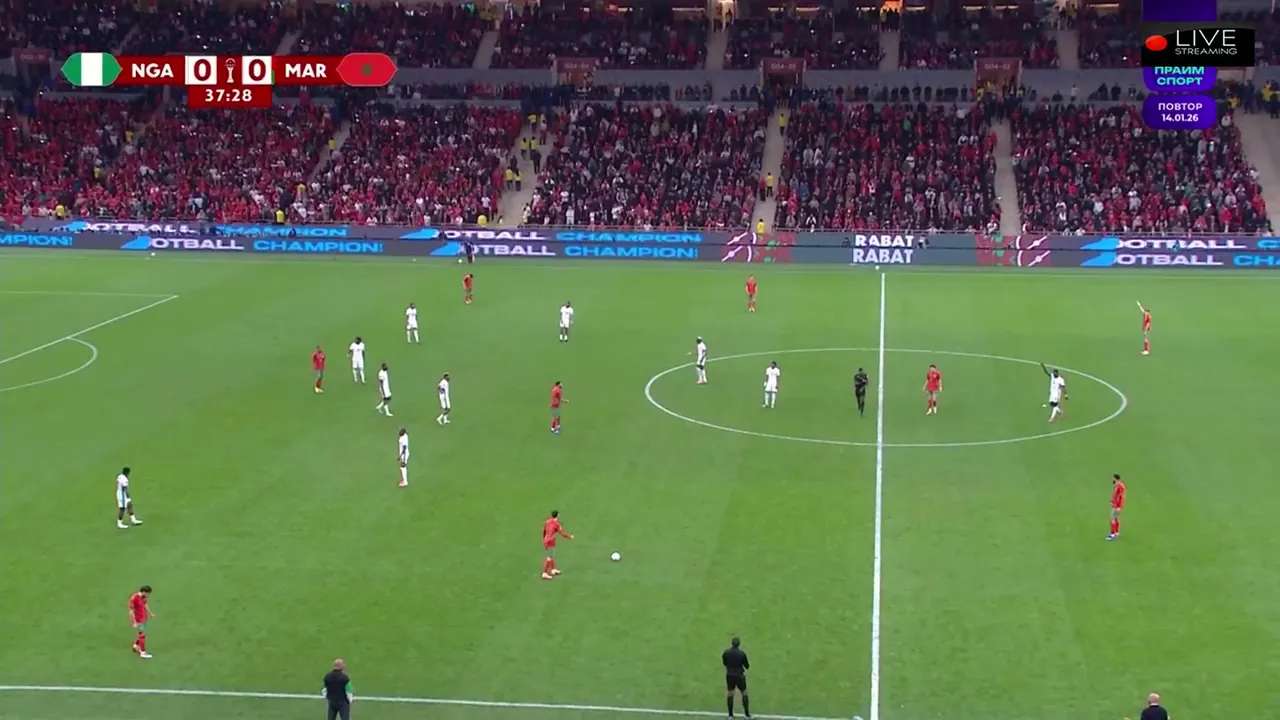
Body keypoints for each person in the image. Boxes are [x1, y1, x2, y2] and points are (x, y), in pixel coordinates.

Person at [722, 636, 751, 719]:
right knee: (744, 693)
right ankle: (747, 715)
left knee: (730, 693)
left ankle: (730, 715)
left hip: (730, 675)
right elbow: (747, 666)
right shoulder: (742, 654)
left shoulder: (726, 653)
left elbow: (724, 662)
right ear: (739, 644)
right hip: (739, 676)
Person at [541, 509, 573, 580]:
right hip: (551, 541)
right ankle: (544, 573)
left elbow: (544, 531)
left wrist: (544, 539)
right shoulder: (557, 524)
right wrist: (570, 537)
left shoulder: (547, 521)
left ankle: (553, 569)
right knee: (549, 557)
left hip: (546, 540)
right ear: (558, 515)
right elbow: (563, 534)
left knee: (551, 555)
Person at [128, 585, 154, 659]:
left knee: (141, 634)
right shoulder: (134, 598)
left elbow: (145, 604)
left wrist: (150, 613)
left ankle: (135, 646)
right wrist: (134, 622)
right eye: (148, 593)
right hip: (138, 620)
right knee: (142, 635)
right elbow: (131, 611)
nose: (148, 595)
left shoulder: (143, 597)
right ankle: (142, 652)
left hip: (144, 618)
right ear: (144, 592)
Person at [1108, 473, 1125, 540]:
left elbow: (1121, 496)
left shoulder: (1119, 486)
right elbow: (1116, 495)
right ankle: (1117, 532)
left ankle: (1112, 534)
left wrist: (1118, 506)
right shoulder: (1119, 485)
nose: (1112, 479)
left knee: (1112, 518)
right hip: (1116, 505)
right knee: (1116, 518)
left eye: (1113, 478)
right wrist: (1112, 500)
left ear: (1115, 478)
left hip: (1116, 506)